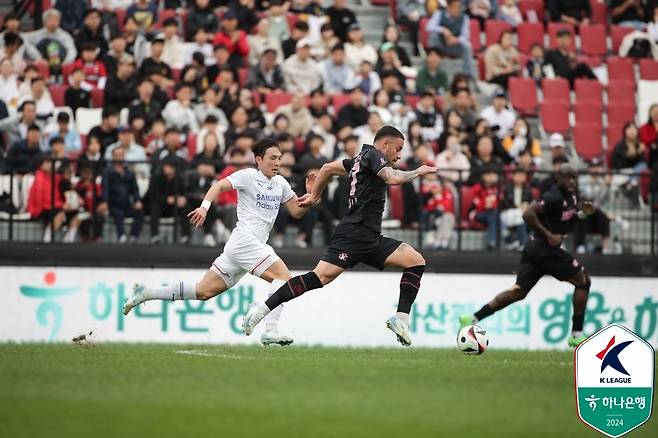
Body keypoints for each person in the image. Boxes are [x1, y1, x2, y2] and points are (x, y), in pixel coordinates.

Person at [242, 126, 438, 347]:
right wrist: (416, 172)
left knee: (416, 261)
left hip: (371, 238)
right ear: (384, 144)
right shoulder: (373, 156)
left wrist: (314, 195)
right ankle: (261, 310)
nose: (399, 155)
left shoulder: (359, 160)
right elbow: (392, 178)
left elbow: (327, 168)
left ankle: (400, 320)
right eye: (398, 148)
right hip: (353, 235)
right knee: (318, 279)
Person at [123, 138, 317, 347]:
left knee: (203, 291)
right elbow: (219, 185)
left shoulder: (281, 183)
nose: (277, 162)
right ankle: (269, 328)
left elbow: (297, 212)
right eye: (272, 158)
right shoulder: (248, 176)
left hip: (249, 246)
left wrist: (312, 196)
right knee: (284, 278)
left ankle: (146, 293)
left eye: (279, 158)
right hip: (245, 241)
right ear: (258, 160)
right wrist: (204, 207)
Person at [460, 164, 595, 348]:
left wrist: (582, 214)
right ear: (558, 178)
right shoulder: (553, 196)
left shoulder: (571, 195)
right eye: (567, 177)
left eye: (574, 177)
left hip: (534, 249)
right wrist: (549, 235)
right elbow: (528, 213)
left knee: (518, 292)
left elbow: (566, 221)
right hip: (545, 249)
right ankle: (576, 333)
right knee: (583, 281)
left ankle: (473, 317)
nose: (571, 181)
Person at [101, 147, 145, 243]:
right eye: (117, 155)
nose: (119, 158)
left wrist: (137, 201)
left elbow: (135, 190)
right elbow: (105, 188)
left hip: (126, 204)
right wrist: (104, 202)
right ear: (113, 157)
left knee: (140, 212)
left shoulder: (129, 173)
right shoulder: (108, 172)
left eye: (121, 155)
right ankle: (121, 236)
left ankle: (134, 236)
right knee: (118, 213)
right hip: (113, 204)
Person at [426, 0, 476, 80]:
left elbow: (465, 36)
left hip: (454, 46)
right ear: (448, 7)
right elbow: (429, 27)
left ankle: (469, 76)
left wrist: (456, 39)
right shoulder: (439, 13)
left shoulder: (464, 18)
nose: (458, 9)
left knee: (467, 46)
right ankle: (431, 69)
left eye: (459, 7)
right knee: (433, 36)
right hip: (440, 45)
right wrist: (443, 30)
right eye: (455, 7)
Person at [500, 168, 532, 249]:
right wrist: (518, 206)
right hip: (507, 213)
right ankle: (522, 243)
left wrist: (527, 206)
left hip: (522, 215)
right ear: (513, 176)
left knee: (521, 216)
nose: (520, 177)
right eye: (518, 175)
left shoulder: (528, 190)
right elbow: (504, 204)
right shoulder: (506, 188)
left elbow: (532, 203)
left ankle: (517, 241)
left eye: (522, 175)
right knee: (520, 214)